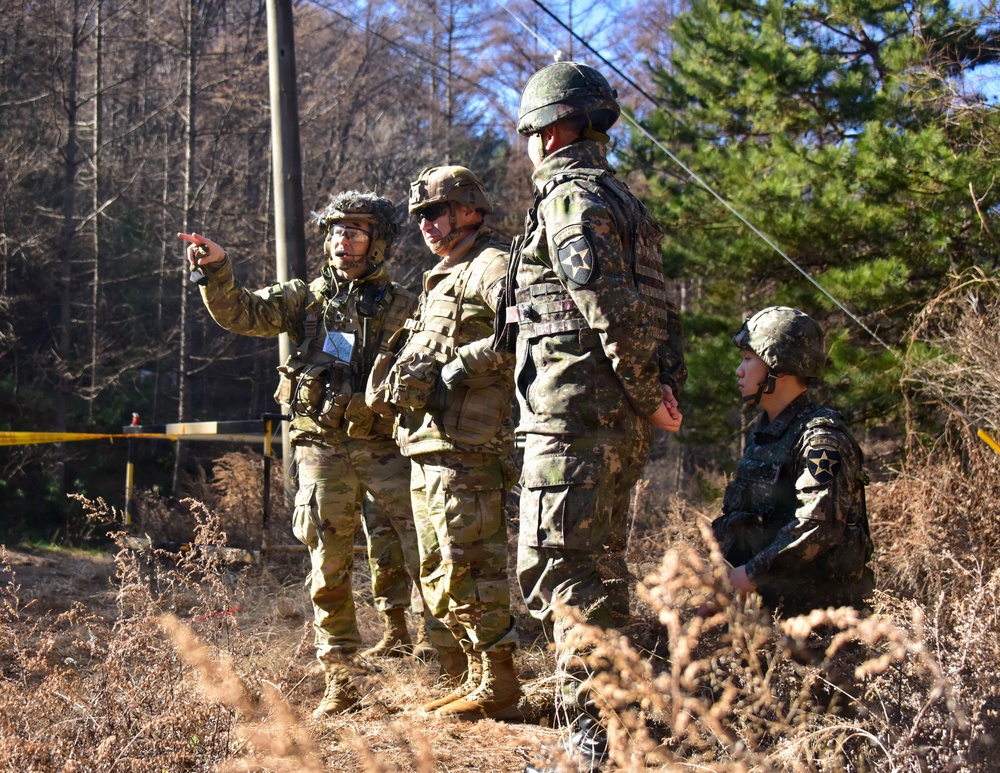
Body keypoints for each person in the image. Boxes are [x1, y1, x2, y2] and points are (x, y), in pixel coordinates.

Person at [178, 191, 456, 719]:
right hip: (322, 446)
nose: (341, 239)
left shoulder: (406, 303)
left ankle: (446, 658)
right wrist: (216, 270)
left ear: (378, 243)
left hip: (386, 445)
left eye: (355, 231)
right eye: (335, 230)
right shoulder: (306, 298)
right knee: (327, 566)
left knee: (427, 549)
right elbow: (242, 312)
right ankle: (341, 680)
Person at [500, 61, 686, 770]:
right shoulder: (620, 199)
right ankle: (617, 730)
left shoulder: (572, 201)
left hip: (575, 423)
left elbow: (614, 313)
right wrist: (659, 393)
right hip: (600, 423)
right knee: (597, 572)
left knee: (561, 572)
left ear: (549, 132)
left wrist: (648, 394)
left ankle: (591, 745)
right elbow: (658, 314)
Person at [373, 165, 521, 722]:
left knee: (471, 566)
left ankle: (501, 686)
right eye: (420, 218)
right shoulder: (443, 276)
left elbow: (529, 330)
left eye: (435, 213)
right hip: (428, 445)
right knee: (439, 569)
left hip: (469, 448)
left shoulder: (493, 265)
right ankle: (481, 675)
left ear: (468, 210)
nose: (426, 226)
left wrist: (464, 364)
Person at [712, 306, 874, 615]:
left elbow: (819, 527)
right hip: (767, 608)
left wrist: (749, 575)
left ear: (779, 366)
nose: (739, 370)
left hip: (818, 619)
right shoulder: (766, 432)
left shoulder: (821, 439)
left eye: (748, 359)